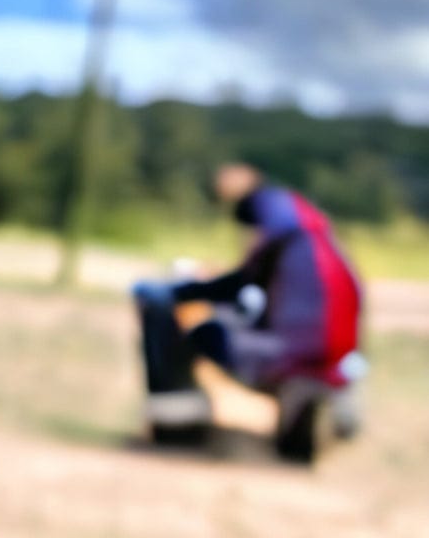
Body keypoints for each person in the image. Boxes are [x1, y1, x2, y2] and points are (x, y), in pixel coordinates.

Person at [133, 163, 364, 458]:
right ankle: (298, 437)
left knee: (189, 324)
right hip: (335, 362)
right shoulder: (321, 243)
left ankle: (178, 427)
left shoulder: (276, 223)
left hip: (284, 355)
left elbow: (240, 282)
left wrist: (176, 292)